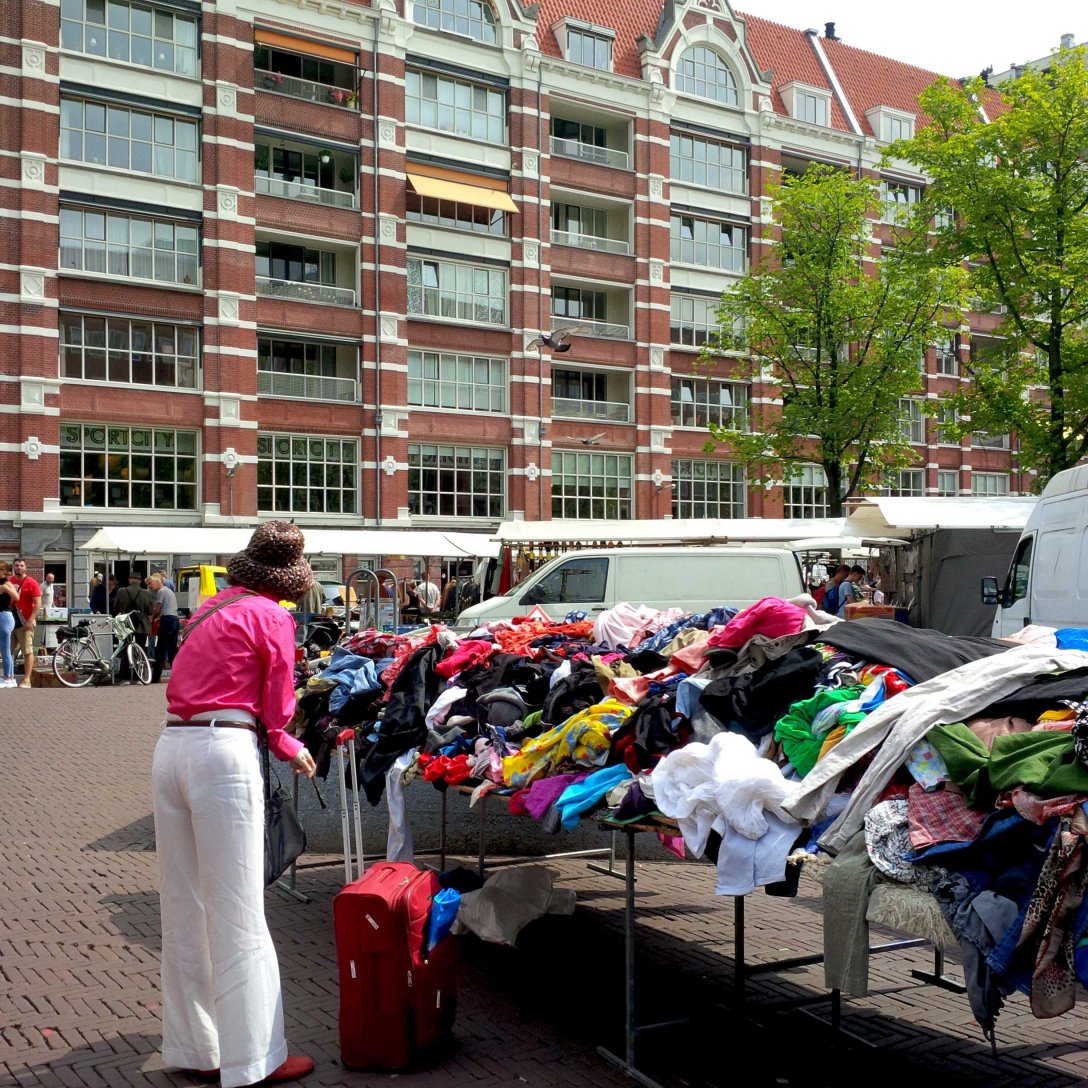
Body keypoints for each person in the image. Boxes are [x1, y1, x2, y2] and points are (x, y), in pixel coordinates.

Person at [152, 520, 317, 1088]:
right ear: (289, 581)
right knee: (239, 909)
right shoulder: (273, 616)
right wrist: (287, 742)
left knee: (184, 906)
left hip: (172, 745)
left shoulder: (208, 608)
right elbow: (277, 706)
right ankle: (256, 1059)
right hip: (224, 751)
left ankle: (197, 1048)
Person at [114, 573, 153, 682]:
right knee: (140, 650)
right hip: (141, 625)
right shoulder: (146, 593)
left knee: (125, 649)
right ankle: (139, 676)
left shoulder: (121, 591)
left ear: (129, 580)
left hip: (126, 624)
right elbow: (149, 610)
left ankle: (125, 676)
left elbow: (116, 607)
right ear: (140, 581)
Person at [11, 557, 41, 688]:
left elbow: (38, 603)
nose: (19, 567)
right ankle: (9, 677)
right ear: (13, 567)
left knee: (27, 651)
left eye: (21, 565)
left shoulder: (31, 583)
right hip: (10, 621)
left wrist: (30, 620)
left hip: (25, 621)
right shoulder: (9, 581)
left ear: (25, 567)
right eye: (16, 565)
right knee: (8, 651)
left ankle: (27, 679)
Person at [147, 575, 180, 684]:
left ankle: (156, 677)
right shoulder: (169, 591)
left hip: (167, 620)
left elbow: (158, 608)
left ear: (157, 582)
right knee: (172, 649)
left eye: (150, 583)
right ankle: (177, 675)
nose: (149, 586)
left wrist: (153, 618)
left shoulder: (161, 591)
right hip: (175, 620)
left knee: (161, 649)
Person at [0, 562, 20, 688]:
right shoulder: (6, 582)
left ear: (4, 571)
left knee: (5, 650)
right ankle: (11, 678)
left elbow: (16, 597)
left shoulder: (5, 583)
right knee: (6, 650)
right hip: (5, 616)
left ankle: (7, 678)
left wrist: (5, 589)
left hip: (3, 616)